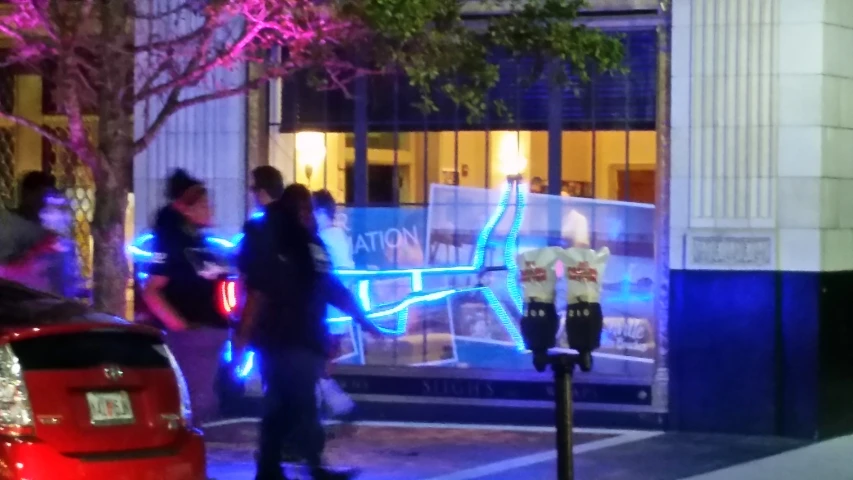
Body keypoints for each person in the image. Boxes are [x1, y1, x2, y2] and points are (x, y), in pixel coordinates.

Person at [235, 183, 380, 480]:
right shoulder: (286, 244)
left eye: (309, 209)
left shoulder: (303, 244)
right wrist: (243, 337)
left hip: (294, 337)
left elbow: (330, 287)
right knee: (296, 403)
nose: (309, 215)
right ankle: (301, 466)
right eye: (303, 209)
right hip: (286, 338)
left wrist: (363, 320)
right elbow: (259, 294)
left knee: (286, 403)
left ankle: (275, 467)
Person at [141, 169, 230, 424]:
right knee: (193, 405)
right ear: (185, 208)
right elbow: (152, 289)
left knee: (202, 404)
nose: (209, 208)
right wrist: (184, 328)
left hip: (207, 336)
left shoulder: (197, 241)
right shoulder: (171, 241)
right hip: (192, 340)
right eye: (203, 203)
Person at [0, 172, 82, 297]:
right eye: (41, 195)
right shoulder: (8, 224)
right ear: (27, 194)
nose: (44, 201)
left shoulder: (51, 230)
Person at [312, 189, 356, 421]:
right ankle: (333, 403)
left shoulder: (324, 239)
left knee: (320, 361)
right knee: (325, 360)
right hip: (337, 312)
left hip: (326, 313)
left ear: (320, 212)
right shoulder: (339, 237)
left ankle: (334, 403)